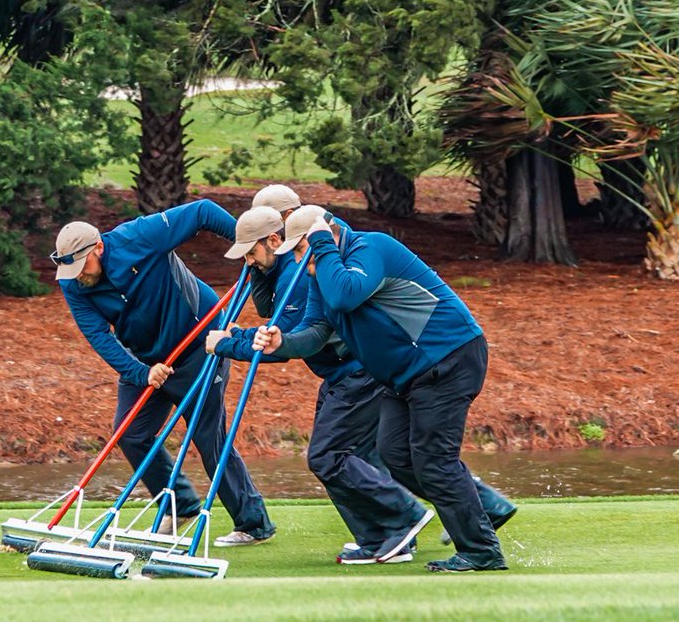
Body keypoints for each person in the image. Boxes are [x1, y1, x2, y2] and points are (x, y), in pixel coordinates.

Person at [248, 185, 516, 544]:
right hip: (400, 372)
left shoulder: (369, 247)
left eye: (299, 249)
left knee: (427, 459)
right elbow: (314, 330)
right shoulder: (316, 274)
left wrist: (321, 244)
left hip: (443, 358)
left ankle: (465, 544)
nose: (297, 260)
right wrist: (282, 340)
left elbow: (345, 296)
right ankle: (477, 513)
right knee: (396, 455)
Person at [206, 206, 434, 564]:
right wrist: (244, 320)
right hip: (342, 374)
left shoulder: (299, 275)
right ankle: (384, 537)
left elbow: (291, 342)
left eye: (251, 253)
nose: (248, 262)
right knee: (345, 459)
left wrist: (229, 344)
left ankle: (404, 516)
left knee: (328, 457)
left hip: (357, 373)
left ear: (275, 240)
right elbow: (276, 320)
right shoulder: (293, 271)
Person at [52, 203, 276, 546]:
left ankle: (253, 524)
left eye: (83, 266)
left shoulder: (140, 236)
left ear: (98, 247)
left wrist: (247, 247)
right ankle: (181, 504)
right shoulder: (73, 283)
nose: (79, 275)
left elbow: (202, 211)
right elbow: (99, 336)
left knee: (208, 438)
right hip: (145, 360)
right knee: (131, 433)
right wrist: (141, 373)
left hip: (201, 344)